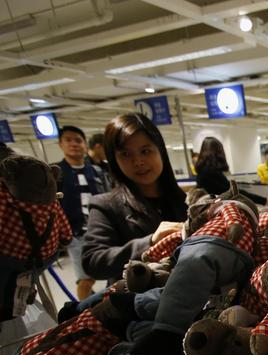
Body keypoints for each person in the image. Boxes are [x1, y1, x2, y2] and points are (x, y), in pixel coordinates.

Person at [81, 113, 187, 283]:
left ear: (160, 150)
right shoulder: (106, 205)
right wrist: (150, 242)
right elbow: (93, 261)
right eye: (125, 154)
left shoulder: (185, 200)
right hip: (137, 296)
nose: (138, 161)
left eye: (145, 151)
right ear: (115, 160)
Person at [55, 125, 110, 299]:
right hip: (76, 235)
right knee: (86, 279)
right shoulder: (56, 174)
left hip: (102, 232)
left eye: (78, 140)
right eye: (68, 140)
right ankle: (83, 311)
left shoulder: (97, 171)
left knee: (113, 271)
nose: (74, 144)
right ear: (60, 144)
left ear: (85, 145)